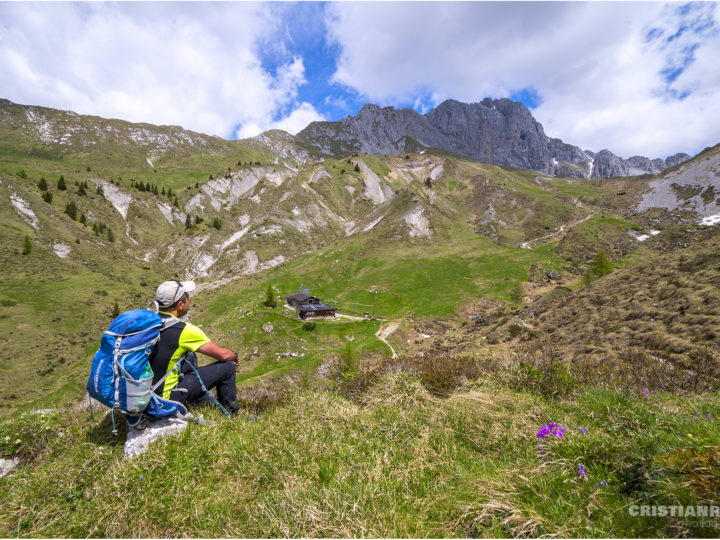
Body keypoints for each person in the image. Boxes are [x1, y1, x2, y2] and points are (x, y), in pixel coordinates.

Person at [150, 280, 240, 416]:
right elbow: (223, 355)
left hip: (144, 396)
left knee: (189, 358)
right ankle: (231, 414)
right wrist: (234, 355)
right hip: (165, 400)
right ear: (180, 305)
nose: (188, 300)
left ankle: (202, 403)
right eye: (187, 297)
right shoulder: (184, 330)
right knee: (227, 367)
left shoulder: (148, 324)